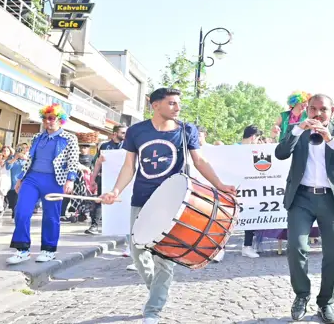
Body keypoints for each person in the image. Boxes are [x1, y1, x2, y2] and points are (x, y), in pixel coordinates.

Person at [100, 88, 236, 324]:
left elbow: (199, 161)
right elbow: (129, 166)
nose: (178, 107)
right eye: (172, 103)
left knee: (164, 258)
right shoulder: (136, 131)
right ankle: (158, 290)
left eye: (178, 103)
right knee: (137, 253)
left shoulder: (186, 130)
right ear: (156, 105)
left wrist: (220, 185)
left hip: (174, 203)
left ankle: (153, 309)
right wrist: (115, 191)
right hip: (142, 198)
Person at [274, 94, 334, 324]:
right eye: (313, 109)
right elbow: (280, 153)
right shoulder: (297, 130)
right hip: (301, 198)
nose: (317, 113)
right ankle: (301, 295)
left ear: (333, 111)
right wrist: (297, 130)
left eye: (323, 109)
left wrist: (330, 138)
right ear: (307, 109)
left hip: (331, 199)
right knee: (296, 247)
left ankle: (326, 302)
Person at [7, 104, 79, 265]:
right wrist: (20, 179)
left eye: (51, 118)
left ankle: (49, 250)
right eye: (45, 118)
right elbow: (29, 160)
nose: (48, 121)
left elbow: (73, 161)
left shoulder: (69, 138)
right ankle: (22, 249)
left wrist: (70, 179)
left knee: (51, 216)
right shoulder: (37, 137)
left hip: (55, 180)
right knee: (21, 211)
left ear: (60, 120)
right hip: (32, 178)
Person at [87, 125, 128, 236]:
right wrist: (93, 179)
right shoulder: (105, 146)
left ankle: (121, 226)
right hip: (105, 178)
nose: (125, 135)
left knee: (122, 201)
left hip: (122, 179)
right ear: (115, 134)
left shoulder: (128, 146)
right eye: (123, 132)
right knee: (101, 200)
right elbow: (98, 163)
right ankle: (94, 225)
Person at [239, 125, 263, 258]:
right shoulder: (235, 150)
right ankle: (246, 247)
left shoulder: (232, 149)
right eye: (257, 138)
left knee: (250, 217)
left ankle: (247, 246)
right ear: (253, 137)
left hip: (248, 190)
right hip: (241, 189)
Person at [6, 144, 27, 218]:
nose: (20, 151)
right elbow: (8, 167)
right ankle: (14, 211)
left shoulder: (26, 159)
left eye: (22, 149)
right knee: (12, 201)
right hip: (12, 183)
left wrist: (25, 159)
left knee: (18, 200)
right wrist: (15, 158)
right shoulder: (11, 158)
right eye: (18, 149)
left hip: (22, 183)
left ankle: (16, 214)